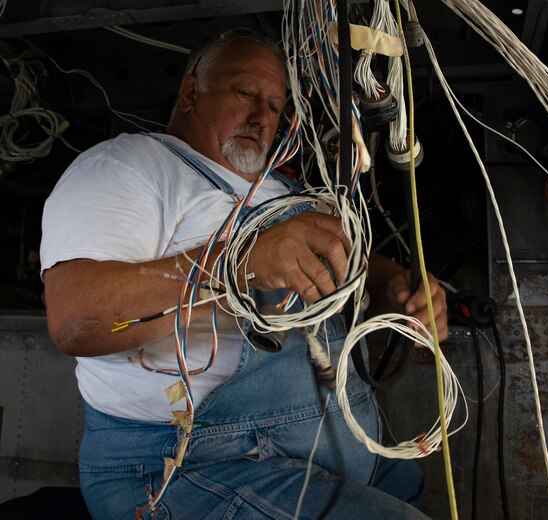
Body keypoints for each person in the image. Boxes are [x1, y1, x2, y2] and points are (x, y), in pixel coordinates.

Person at [40, 29, 448, 519]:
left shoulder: (280, 188)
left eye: (275, 106)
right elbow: (76, 319)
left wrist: (394, 288)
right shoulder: (129, 166)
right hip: (197, 465)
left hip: (339, 446)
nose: (261, 116)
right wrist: (243, 262)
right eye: (245, 93)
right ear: (191, 93)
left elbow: (347, 262)